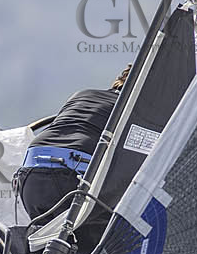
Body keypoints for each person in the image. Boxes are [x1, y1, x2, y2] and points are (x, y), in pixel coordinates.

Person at [15, 65, 130, 229]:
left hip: (31, 174)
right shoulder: (136, 110)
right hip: (74, 176)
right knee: (106, 238)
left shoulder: (84, 94)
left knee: (44, 239)